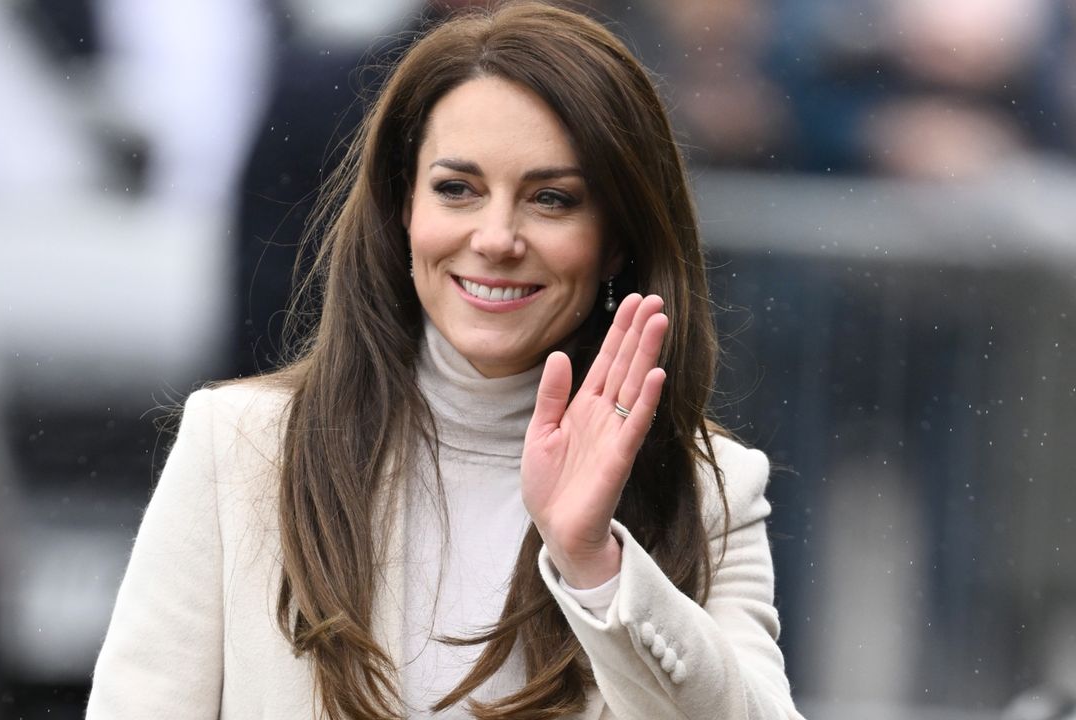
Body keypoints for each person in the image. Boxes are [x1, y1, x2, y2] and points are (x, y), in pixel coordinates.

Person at [87, 2, 804, 718]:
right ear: (403, 209)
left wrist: (598, 567)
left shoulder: (710, 490)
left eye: (551, 199)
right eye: (457, 189)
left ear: (617, 238)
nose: (496, 237)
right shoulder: (237, 446)